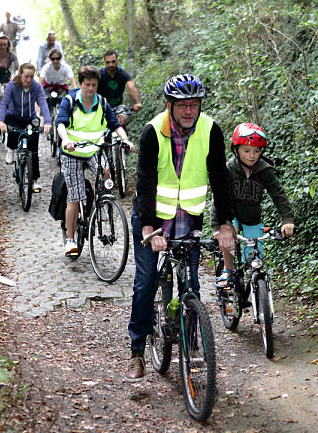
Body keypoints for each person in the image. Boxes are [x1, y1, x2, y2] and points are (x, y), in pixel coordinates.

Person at [126, 74, 235, 382]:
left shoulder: (210, 130)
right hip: (153, 218)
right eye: (183, 105)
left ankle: (191, 346)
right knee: (146, 280)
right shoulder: (152, 132)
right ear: (169, 105)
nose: (189, 111)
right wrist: (149, 227)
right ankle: (136, 351)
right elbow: (145, 181)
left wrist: (224, 222)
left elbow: (219, 178)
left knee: (191, 286)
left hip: (189, 217)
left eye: (195, 105)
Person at [56, 66, 135, 256]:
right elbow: (61, 123)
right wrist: (66, 140)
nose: (91, 88)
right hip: (72, 151)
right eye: (87, 85)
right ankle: (70, 240)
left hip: (93, 149)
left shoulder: (102, 102)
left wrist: (125, 140)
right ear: (80, 84)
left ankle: (102, 203)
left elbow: (114, 124)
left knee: (106, 171)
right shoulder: (70, 101)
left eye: (94, 85)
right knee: (75, 196)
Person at [211, 122, 295, 288]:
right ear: (236, 149)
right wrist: (217, 227)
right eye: (247, 150)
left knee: (256, 257)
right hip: (230, 214)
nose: (252, 155)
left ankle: (256, 287)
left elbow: (278, 195)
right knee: (229, 234)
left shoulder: (265, 171)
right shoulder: (228, 169)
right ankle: (227, 269)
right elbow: (218, 199)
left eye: (257, 151)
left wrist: (287, 219)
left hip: (252, 217)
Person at [0, 63, 51, 193]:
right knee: (13, 130)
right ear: (20, 75)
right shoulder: (12, 86)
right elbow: (4, 103)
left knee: (33, 151)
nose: (28, 80)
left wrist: (48, 122)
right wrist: (1, 121)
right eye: (26, 76)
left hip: (29, 117)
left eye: (31, 77)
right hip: (13, 116)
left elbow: (43, 105)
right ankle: (11, 149)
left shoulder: (37, 87)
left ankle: (34, 182)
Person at [97, 49, 142, 127]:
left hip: (118, 106)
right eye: (108, 62)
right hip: (102, 106)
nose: (111, 64)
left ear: (117, 61)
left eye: (113, 61)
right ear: (104, 62)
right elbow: (91, 89)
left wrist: (138, 102)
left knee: (122, 121)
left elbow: (132, 88)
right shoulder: (99, 74)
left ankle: (124, 139)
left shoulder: (122, 73)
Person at [0, 35, 19, 122]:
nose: (3, 47)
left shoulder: (11, 55)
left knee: (10, 94)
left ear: (8, 45)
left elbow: (18, 67)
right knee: (0, 93)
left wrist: (19, 77)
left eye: (5, 45)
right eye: (1, 45)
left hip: (6, 77)